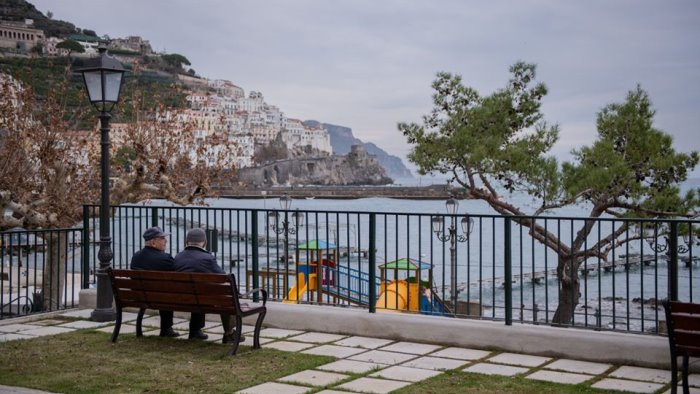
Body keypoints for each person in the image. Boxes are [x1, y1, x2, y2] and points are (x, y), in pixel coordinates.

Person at [174, 228, 243, 343]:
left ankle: (195, 331)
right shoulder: (207, 258)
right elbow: (224, 277)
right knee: (226, 298)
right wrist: (237, 293)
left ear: (186, 242)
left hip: (181, 299)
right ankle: (229, 333)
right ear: (205, 243)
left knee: (198, 292)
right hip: (202, 299)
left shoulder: (178, 257)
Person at [130, 226, 180, 338]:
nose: (166, 241)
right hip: (162, 298)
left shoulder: (136, 257)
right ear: (153, 242)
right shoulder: (165, 259)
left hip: (140, 297)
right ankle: (166, 329)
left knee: (163, 291)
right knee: (166, 293)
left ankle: (166, 329)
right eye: (162, 238)